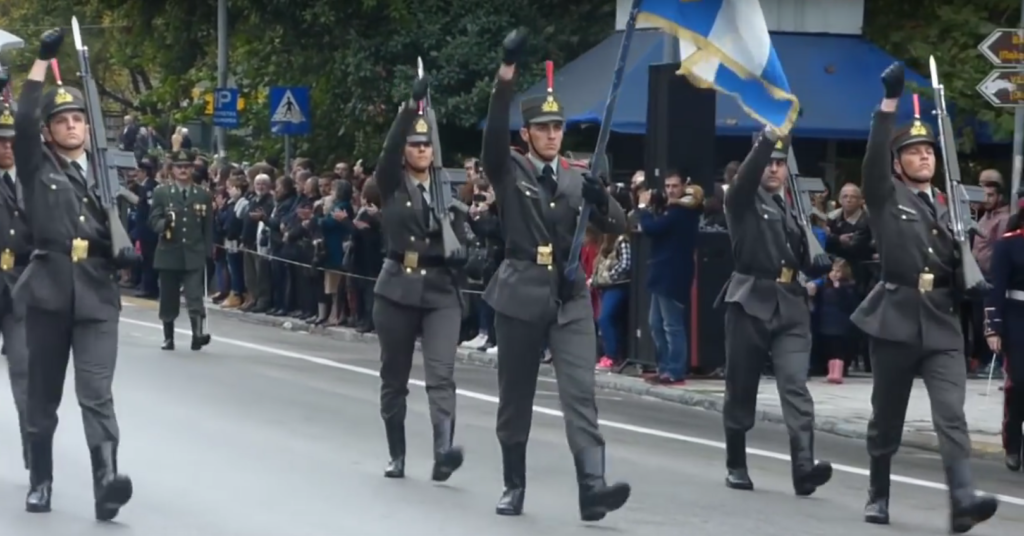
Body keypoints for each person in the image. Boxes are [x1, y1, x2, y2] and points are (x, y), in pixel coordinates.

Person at [481, 29, 630, 521]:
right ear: (527, 133)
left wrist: (600, 198)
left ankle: (593, 487)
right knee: (516, 394)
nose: (551, 135)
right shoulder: (511, 171)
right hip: (522, 288)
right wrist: (506, 74)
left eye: (558, 127)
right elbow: (490, 142)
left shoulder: (574, 176)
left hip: (568, 297)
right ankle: (513, 484)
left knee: (580, 395)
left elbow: (620, 224)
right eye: (543, 128)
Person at [853, 62, 998, 532]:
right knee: (886, 416)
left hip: (941, 320)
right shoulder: (884, 193)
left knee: (951, 415)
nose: (923, 157)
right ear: (898, 163)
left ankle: (961, 501)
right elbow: (872, 159)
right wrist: (888, 105)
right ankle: (878, 493)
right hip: (895, 315)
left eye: (927, 151)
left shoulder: (952, 205)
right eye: (912, 152)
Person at [13, 28, 134, 520]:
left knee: (97, 394)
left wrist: (127, 247)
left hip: (98, 296)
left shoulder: (107, 171)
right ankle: (40, 479)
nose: (70, 126)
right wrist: (42, 62)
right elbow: (22, 117)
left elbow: (123, 224)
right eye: (60, 120)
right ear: (48, 131)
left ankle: (106, 481)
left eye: (78, 119)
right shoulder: (35, 165)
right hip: (48, 292)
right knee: (43, 396)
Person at [716, 128, 833, 496]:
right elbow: (747, 178)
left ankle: (803, 467)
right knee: (741, 385)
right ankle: (736, 462)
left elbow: (806, 256)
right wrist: (766, 138)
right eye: (768, 162)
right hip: (751, 298)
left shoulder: (795, 208)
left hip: (791, 301)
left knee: (795, 385)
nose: (774, 169)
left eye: (780, 163)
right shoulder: (741, 198)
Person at [373, 75, 465, 482]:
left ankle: (444, 451)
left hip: (441, 290)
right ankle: (397, 454)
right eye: (415, 145)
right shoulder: (391, 183)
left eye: (426, 144)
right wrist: (411, 106)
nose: (422, 150)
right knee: (394, 377)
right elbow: (389, 147)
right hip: (397, 288)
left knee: (442, 375)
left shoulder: (447, 187)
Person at [148, 149, 214, 351]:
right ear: (172, 169)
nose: (183, 170)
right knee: (168, 297)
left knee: (195, 296)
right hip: (169, 252)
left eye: (187, 167)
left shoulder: (203, 195)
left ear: (192, 169)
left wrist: (208, 253)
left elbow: (208, 227)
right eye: (179, 167)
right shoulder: (162, 192)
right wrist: (163, 224)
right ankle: (168, 337)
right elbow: (152, 220)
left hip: (193, 252)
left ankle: (197, 334)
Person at [0, 74, 32, 470]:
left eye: (11, 142)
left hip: (22, 285)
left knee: (26, 376)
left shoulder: (34, 184)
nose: (6, 149)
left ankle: (34, 453)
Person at [985, 186, 1024, 472]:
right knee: (1019, 382)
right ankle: (1013, 441)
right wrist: (993, 327)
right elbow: (995, 289)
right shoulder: (1009, 244)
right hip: (1017, 317)